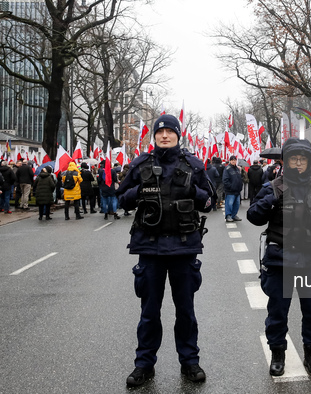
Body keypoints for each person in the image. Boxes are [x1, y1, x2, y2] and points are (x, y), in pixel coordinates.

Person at [117, 114, 216, 387]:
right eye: (160, 132)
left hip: (184, 248)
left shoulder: (193, 165)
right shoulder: (140, 165)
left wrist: (193, 190)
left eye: (170, 132)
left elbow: (209, 203)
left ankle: (190, 362)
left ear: (177, 135)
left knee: (186, 311)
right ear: (154, 137)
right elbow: (121, 200)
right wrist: (140, 189)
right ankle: (143, 365)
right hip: (149, 248)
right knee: (149, 312)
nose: (164, 136)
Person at [247, 137, 311, 377]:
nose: (298, 163)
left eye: (302, 159)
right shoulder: (273, 187)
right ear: (285, 161)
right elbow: (253, 216)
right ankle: (278, 353)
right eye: (293, 159)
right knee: (277, 311)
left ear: (309, 162)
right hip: (280, 261)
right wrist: (271, 201)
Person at [222, 155, 243, 222]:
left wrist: (240, 186)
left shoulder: (237, 168)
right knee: (229, 204)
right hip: (230, 190)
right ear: (230, 161)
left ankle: (234, 215)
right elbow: (225, 180)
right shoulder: (227, 169)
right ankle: (228, 215)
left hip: (237, 190)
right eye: (232, 160)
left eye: (235, 160)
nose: (233, 161)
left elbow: (239, 178)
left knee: (236, 204)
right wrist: (230, 187)